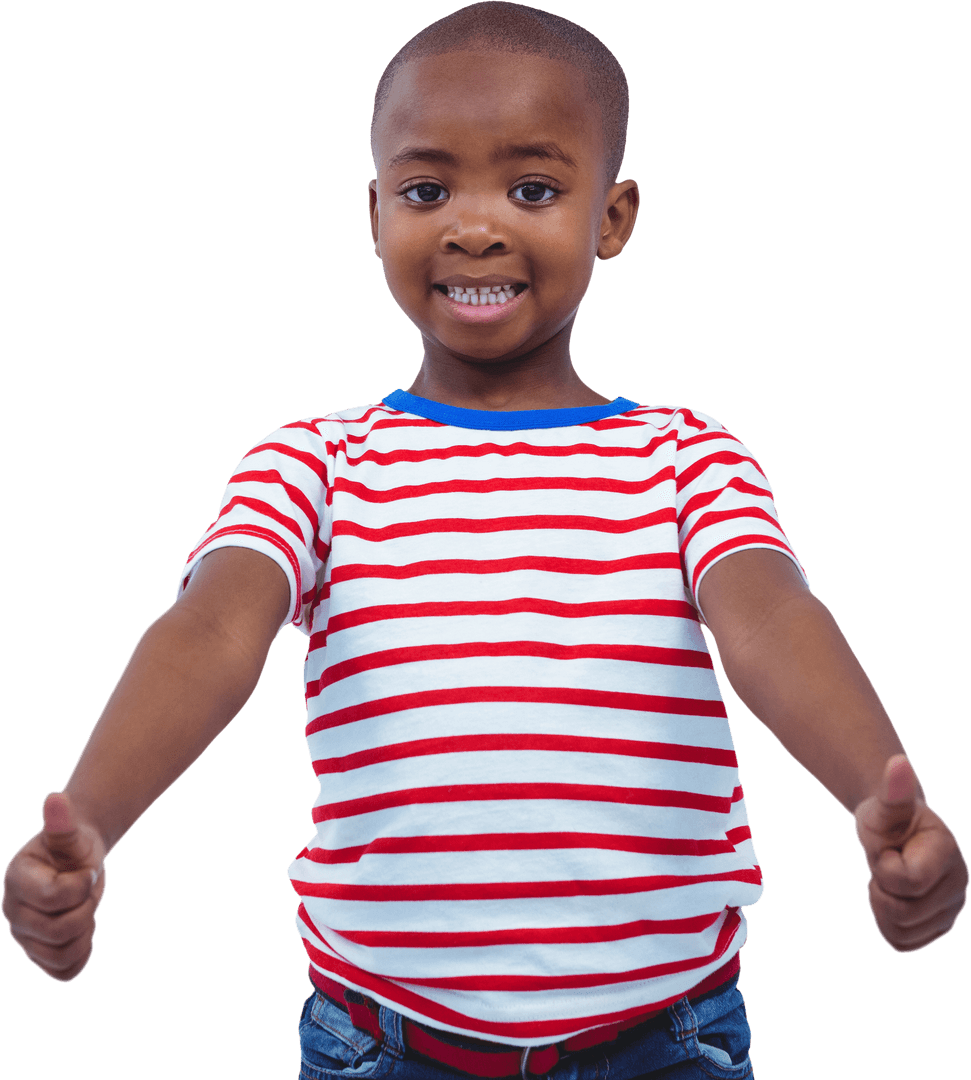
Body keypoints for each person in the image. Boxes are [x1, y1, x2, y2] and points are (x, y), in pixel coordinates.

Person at [2, 3, 967, 1078]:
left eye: (533, 190)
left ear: (612, 215)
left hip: (665, 1041)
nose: (473, 227)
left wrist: (878, 797)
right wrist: (92, 816)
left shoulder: (685, 457)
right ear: (373, 215)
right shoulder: (316, 465)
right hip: (380, 1041)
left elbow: (770, 621)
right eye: (425, 191)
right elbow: (212, 631)